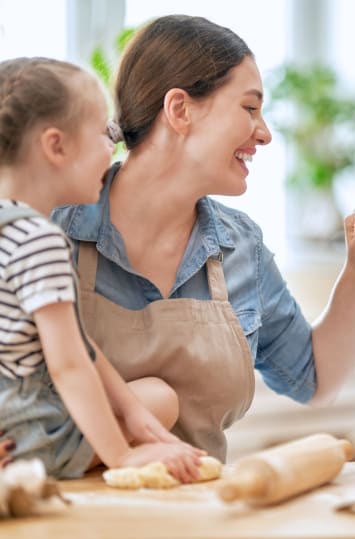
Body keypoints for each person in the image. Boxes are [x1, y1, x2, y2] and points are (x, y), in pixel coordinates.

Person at [0, 15, 355, 464]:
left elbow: (316, 378)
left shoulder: (240, 247)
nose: (264, 132)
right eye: (249, 108)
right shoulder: (49, 228)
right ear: (180, 110)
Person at [0, 57, 204, 480]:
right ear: (56, 146)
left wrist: (132, 415)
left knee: (149, 403)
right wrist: (122, 454)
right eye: (102, 132)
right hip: (25, 436)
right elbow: (69, 363)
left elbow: (79, 341)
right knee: (162, 400)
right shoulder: (39, 240)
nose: (112, 147)